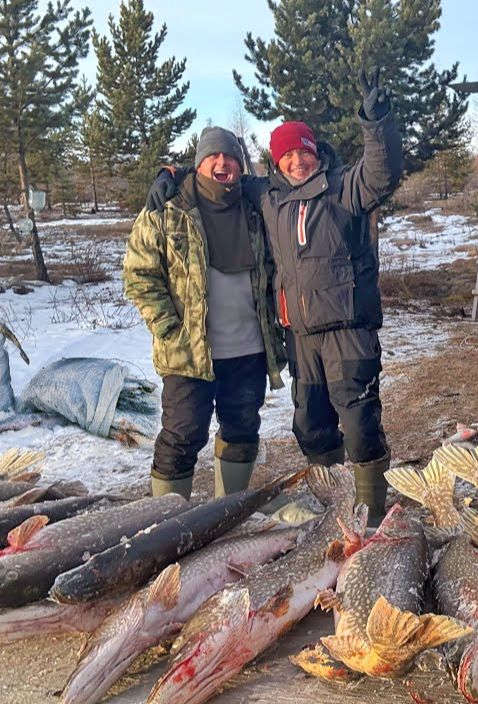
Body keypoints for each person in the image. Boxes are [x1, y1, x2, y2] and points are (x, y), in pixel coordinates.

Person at [148, 70, 402, 523]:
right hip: (301, 337)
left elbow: (382, 175)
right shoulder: (268, 197)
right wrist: (171, 174)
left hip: (347, 329)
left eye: (302, 152)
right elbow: (215, 177)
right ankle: (335, 510)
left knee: (360, 425)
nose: (296, 162)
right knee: (311, 428)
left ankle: (372, 515)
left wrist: (376, 122)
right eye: (286, 156)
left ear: (314, 153)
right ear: (276, 162)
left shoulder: (345, 187)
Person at [125, 126, 286, 500]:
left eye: (230, 156)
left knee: (242, 429)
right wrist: (168, 328)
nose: (222, 162)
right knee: (183, 435)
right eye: (213, 155)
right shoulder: (166, 208)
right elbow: (139, 274)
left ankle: (226, 510)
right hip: (190, 352)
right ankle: (166, 520)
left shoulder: (254, 207)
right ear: (198, 163)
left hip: (248, 349)